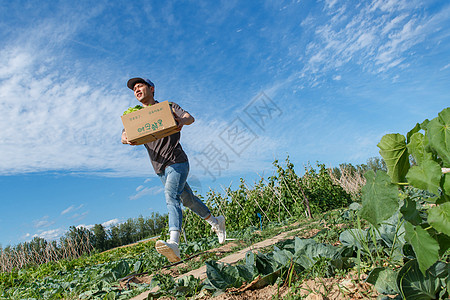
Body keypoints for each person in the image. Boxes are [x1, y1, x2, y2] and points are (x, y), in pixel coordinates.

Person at [121, 77, 226, 263]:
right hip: (159, 167)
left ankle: (174, 243)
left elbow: (189, 117)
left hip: (177, 161)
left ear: (151, 89)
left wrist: (180, 121)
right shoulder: (135, 115)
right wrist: (126, 139)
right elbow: (123, 134)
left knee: (171, 196)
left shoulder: (167, 107)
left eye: (140, 86)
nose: (136, 90)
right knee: (188, 200)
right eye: (134, 88)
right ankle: (216, 223)